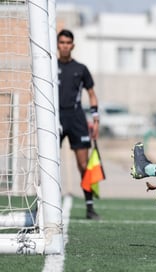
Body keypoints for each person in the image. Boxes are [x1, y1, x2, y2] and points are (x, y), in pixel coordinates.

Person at [57, 29, 100, 220]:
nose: (65, 45)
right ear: (58, 45)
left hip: (76, 119)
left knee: (83, 165)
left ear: (72, 45)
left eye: (68, 42)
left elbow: (91, 93)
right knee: (48, 164)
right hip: (55, 117)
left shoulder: (81, 69)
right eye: (62, 42)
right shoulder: (48, 66)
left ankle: (90, 207)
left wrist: (95, 118)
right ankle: (44, 206)